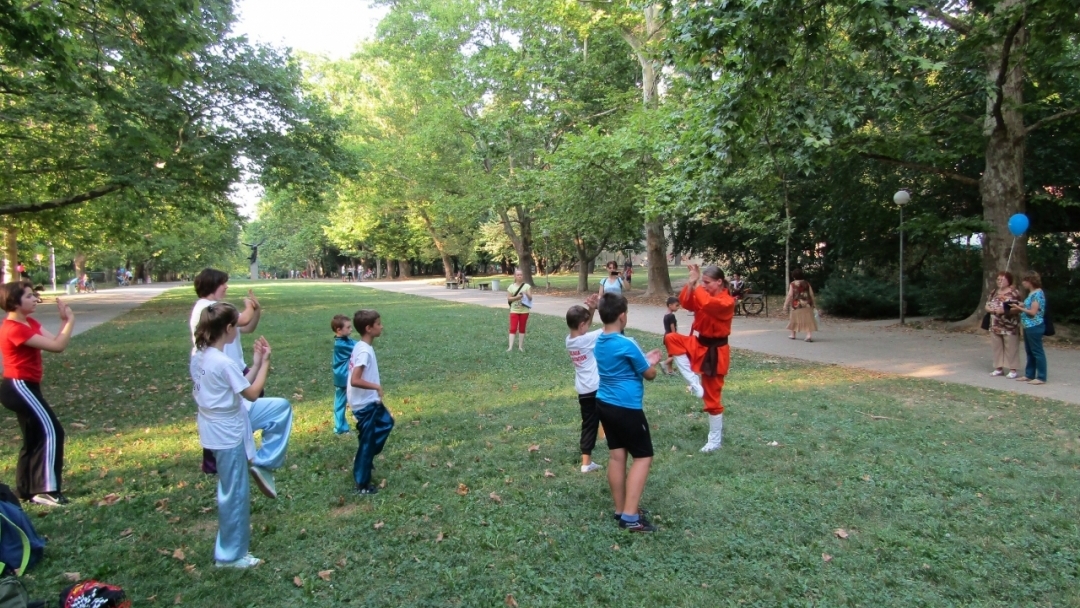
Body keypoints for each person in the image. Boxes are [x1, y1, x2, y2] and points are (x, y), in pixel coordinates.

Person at [191, 302, 287, 568]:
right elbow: (253, 393)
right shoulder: (221, 361)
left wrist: (254, 363)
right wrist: (266, 362)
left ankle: (264, 463)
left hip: (223, 424)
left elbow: (239, 385)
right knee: (234, 494)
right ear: (229, 328)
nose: (240, 328)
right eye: (237, 324)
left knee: (279, 409)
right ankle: (230, 556)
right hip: (226, 433)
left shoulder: (201, 355)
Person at [189, 269, 291, 480]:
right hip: (224, 374)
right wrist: (248, 307)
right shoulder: (208, 309)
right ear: (212, 284)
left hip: (234, 370)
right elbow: (243, 320)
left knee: (252, 409)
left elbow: (247, 326)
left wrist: (257, 310)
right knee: (243, 410)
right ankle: (231, 461)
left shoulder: (220, 313)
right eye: (223, 283)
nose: (226, 286)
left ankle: (248, 456)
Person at [0, 281, 74, 507]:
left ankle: (27, 490)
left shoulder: (28, 322)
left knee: (33, 438)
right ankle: (47, 490)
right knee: (52, 432)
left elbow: (53, 340)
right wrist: (69, 321)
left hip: (27, 386)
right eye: (29, 296)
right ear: (14, 301)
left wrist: (62, 322)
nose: (35, 300)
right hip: (18, 387)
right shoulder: (14, 328)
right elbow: (58, 346)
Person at [594, 292, 661, 532]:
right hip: (627, 407)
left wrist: (642, 360)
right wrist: (651, 362)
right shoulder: (627, 343)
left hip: (604, 404)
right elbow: (649, 375)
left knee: (617, 456)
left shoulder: (600, 341)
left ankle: (620, 509)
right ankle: (631, 518)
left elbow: (625, 364)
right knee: (643, 456)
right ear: (623, 316)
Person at [663, 264, 735, 452]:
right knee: (671, 338)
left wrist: (697, 285)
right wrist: (691, 282)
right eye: (703, 282)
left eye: (707, 282)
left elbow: (707, 305)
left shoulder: (726, 301)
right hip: (699, 343)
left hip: (716, 351)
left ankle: (714, 440)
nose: (704, 285)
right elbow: (686, 302)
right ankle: (694, 382)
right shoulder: (704, 293)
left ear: (719, 282)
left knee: (712, 397)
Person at [348, 309, 395, 495]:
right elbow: (355, 379)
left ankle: (365, 457)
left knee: (387, 423)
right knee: (367, 442)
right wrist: (376, 387)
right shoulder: (363, 352)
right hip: (365, 404)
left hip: (369, 402)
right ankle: (362, 484)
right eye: (378, 324)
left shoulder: (362, 346)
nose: (381, 326)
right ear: (368, 328)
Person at [564, 294, 604, 474]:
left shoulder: (570, 340)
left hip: (583, 390)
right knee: (612, 418)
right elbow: (609, 326)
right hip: (597, 388)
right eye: (586, 324)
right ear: (581, 326)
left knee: (589, 424)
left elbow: (584, 329)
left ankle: (586, 463)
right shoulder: (586, 339)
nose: (588, 327)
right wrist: (601, 307)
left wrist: (591, 310)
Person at [985, 271, 1021, 379]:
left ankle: (1013, 370)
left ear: (1008, 280)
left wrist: (1004, 311)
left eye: (1002, 279)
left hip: (1009, 325)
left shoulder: (1014, 292)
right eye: (998, 279)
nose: (1000, 281)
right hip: (995, 324)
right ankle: (998, 368)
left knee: (1011, 347)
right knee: (997, 347)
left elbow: (1018, 308)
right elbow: (987, 305)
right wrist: (990, 309)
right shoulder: (994, 292)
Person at [1015, 271, 1048, 385]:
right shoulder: (1031, 293)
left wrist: (1019, 309)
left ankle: (1041, 376)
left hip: (1035, 325)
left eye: (1025, 280)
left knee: (1037, 351)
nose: (1023, 283)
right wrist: (1020, 304)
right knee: (1029, 351)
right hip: (1027, 325)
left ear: (1030, 281)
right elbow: (1029, 305)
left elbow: (1033, 312)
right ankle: (1029, 374)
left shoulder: (1037, 294)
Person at [330, 315, 356, 435]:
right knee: (340, 403)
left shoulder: (346, 340)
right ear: (339, 330)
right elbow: (358, 347)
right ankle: (340, 428)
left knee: (355, 397)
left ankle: (361, 418)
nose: (351, 329)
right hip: (343, 377)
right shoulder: (341, 344)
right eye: (348, 327)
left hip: (347, 375)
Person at [784, 268, 817, 342]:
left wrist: (785, 304)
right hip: (807, 304)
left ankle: (793, 334)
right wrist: (814, 304)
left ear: (794, 276)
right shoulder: (807, 283)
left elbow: (790, 295)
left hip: (796, 305)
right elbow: (811, 294)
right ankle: (808, 336)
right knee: (808, 319)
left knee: (793, 319)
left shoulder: (793, 284)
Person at [506, 269, 532, 352]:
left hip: (524, 311)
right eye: (518, 275)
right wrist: (517, 297)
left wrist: (526, 293)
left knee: (522, 328)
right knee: (513, 328)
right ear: (515, 276)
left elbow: (530, 298)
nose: (520, 276)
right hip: (514, 310)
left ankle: (520, 347)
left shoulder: (527, 286)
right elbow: (509, 299)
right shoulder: (511, 287)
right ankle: (510, 347)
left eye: (521, 275)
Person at [660, 297, 680, 376]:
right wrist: (675, 337)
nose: (678, 307)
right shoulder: (671, 316)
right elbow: (672, 328)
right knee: (675, 354)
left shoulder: (666, 315)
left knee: (670, 354)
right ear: (670, 305)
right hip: (671, 337)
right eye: (676, 305)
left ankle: (670, 371)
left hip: (666, 336)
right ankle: (664, 363)